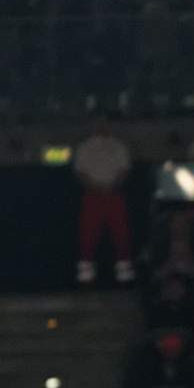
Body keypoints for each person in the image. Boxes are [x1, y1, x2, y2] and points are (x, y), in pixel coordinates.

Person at [75, 115, 134, 284]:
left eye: (105, 122)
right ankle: (86, 272)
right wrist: (96, 187)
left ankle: (124, 271)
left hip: (114, 194)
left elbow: (124, 170)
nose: (102, 125)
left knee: (121, 232)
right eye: (99, 122)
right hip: (92, 195)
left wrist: (112, 186)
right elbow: (80, 172)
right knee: (88, 233)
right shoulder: (84, 147)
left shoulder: (119, 147)